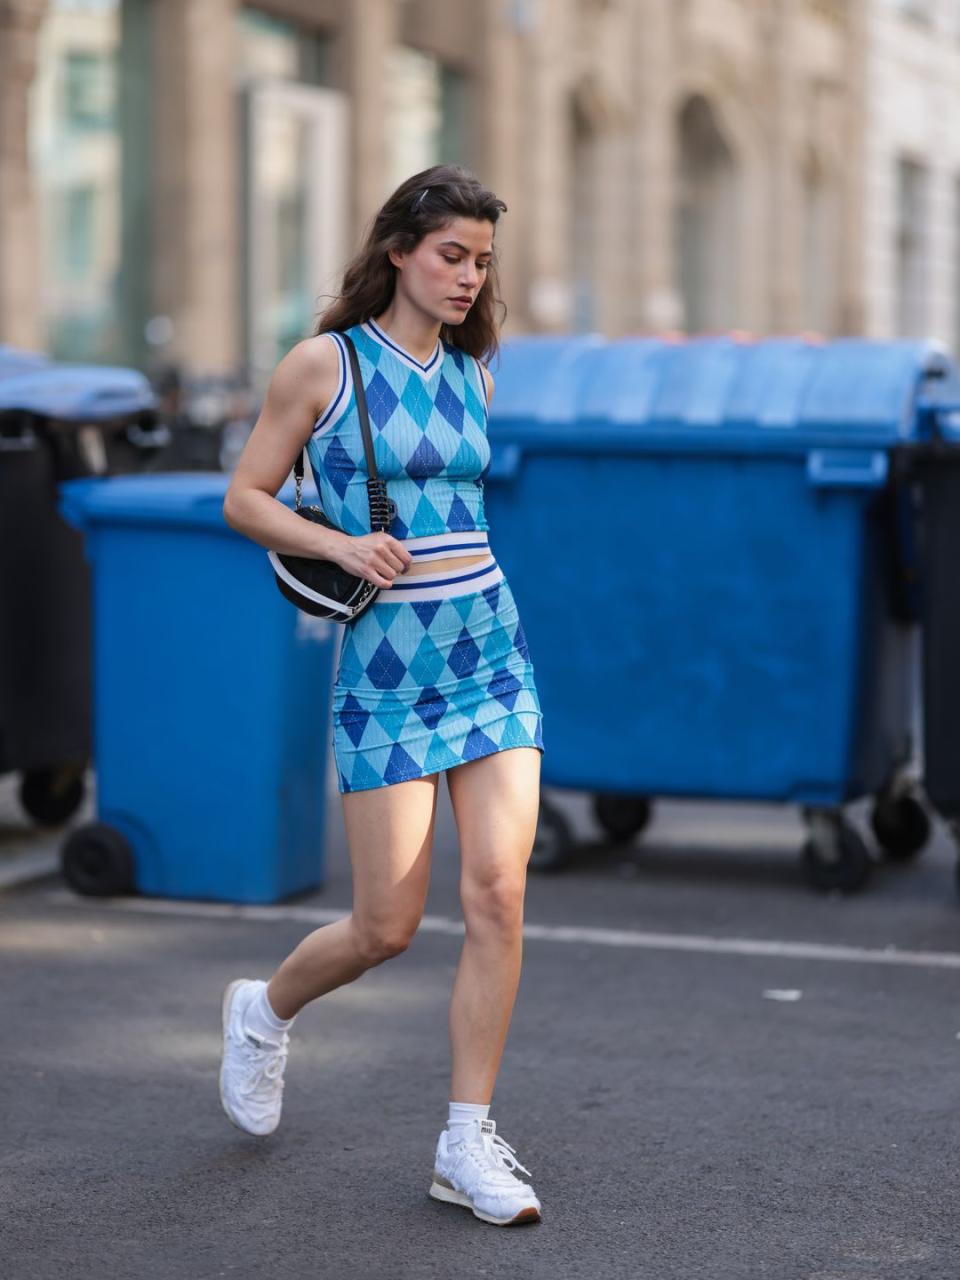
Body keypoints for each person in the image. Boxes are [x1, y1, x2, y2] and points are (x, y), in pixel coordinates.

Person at [220, 165, 545, 1228]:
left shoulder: (477, 373)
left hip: (489, 651)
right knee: (385, 924)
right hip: (389, 668)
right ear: (399, 248)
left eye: (482, 261)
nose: (468, 277)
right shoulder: (325, 364)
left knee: (498, 892)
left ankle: (466, 1137)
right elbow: (245, 498)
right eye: (452, 254)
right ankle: (264, 1014)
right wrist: (339, 539)